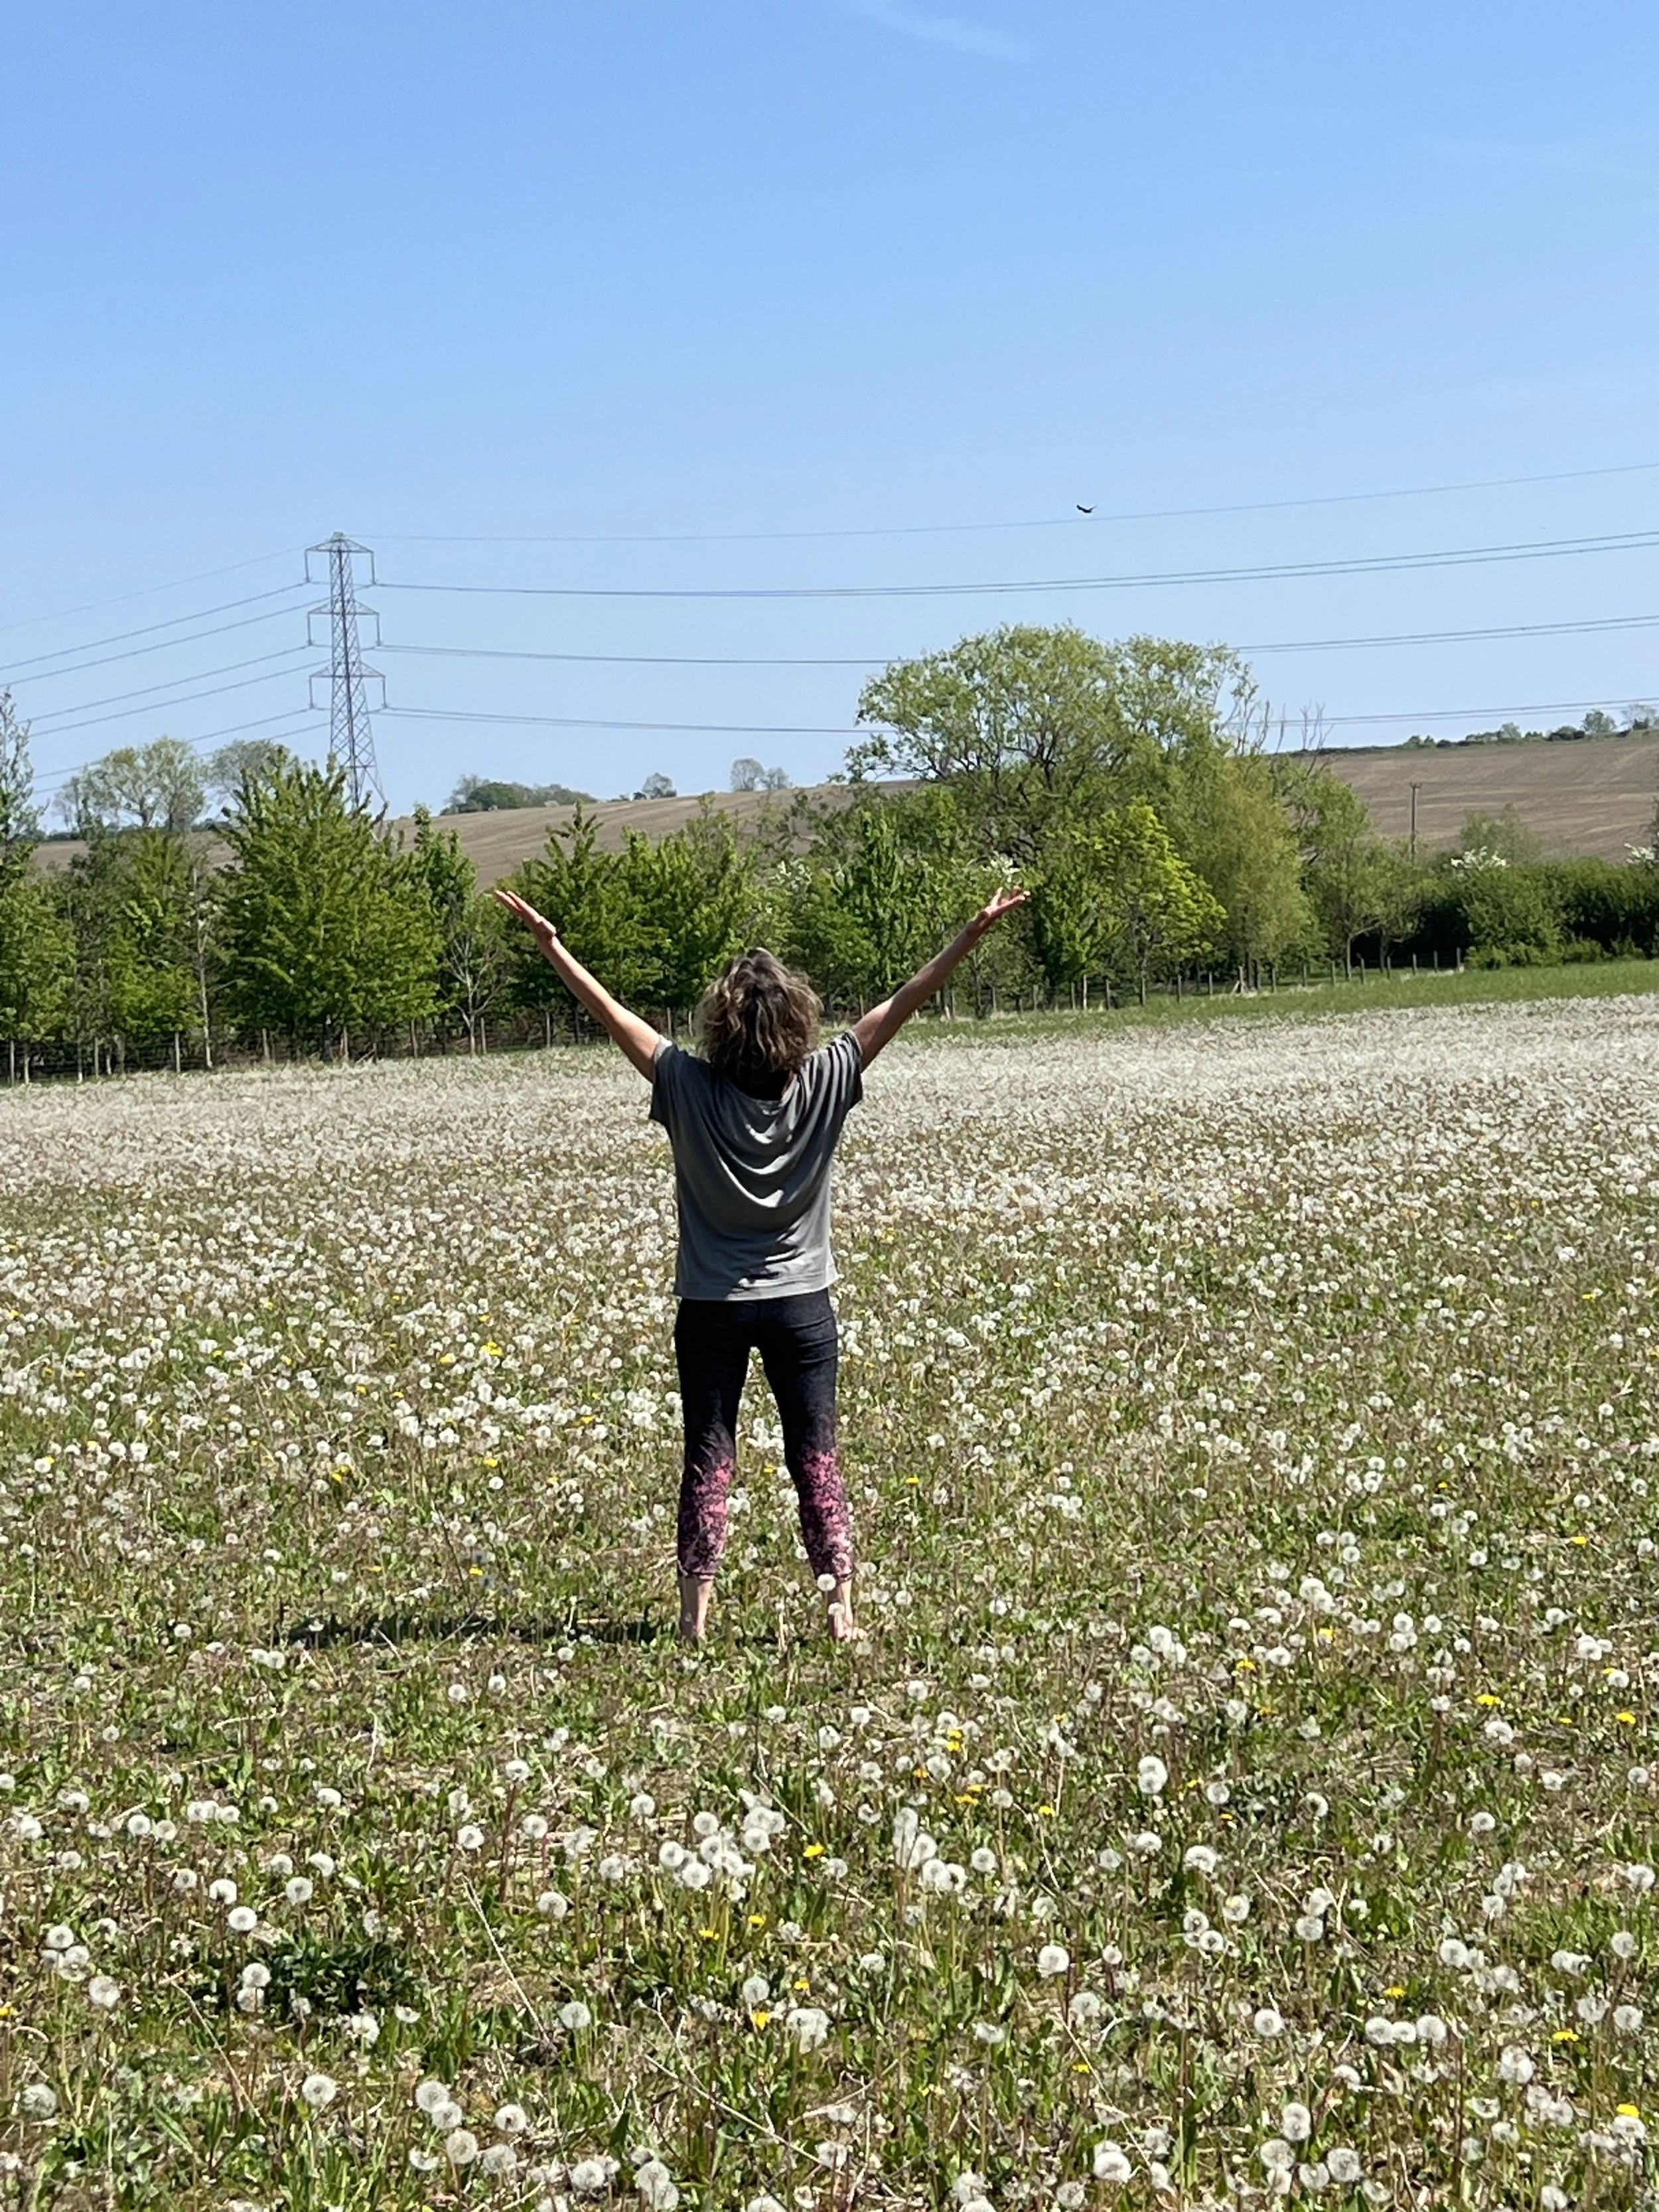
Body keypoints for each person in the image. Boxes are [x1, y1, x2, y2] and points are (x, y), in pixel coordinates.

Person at [494, 882, 1027, 1642]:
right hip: (802, 1304)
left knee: (708, 1457)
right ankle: (840, 1612)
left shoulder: (684, 1084)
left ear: (720, 1023)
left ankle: (693, 1618)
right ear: (798, 1021)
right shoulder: (827, 1079)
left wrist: (552, 946)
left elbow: (612, 1016)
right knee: (815, 1456)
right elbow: (901, 1004)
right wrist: (967, 936)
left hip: (709, 1306)